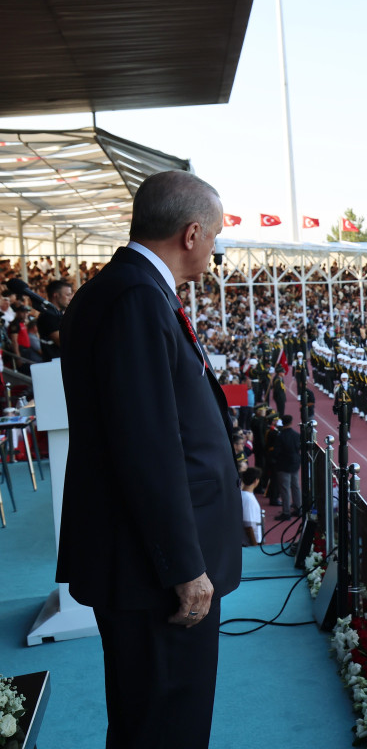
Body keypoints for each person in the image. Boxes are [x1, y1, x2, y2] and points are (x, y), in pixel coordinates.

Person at [56, 170, 242, 748]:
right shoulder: (137, 297)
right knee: (166, 728)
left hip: (146, 564)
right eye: (214, 236)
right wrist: (184, 568)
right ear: (191, 233)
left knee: (152, 722)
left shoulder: (130, 289)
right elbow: (146, 446)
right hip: (155, 575)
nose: (215, 250)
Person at [272, 414, 302, 519]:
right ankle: (298, 508)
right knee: (295, 486)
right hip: (295, 463)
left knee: (285, 488)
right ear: (291, 422)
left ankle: (286, 512)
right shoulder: (296, 435)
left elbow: (276, 451)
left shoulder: (280, 436)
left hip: (283, 465)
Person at [35, 278, 73, 361]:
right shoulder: (48, 316)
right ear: (55, 295)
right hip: (56, 364)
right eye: (67, 295)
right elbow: (63, 342)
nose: (70, 298)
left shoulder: (57, 314)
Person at [240, 467, 264, 546]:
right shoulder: (249, 499)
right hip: (251, 543)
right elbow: (249, 527)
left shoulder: (242, 495)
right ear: (256, 481)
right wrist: (255, 546)